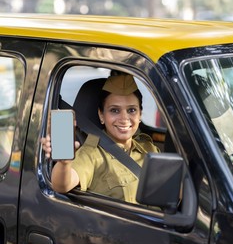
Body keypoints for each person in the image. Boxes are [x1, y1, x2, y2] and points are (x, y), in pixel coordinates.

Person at [41, 74, 160, 203]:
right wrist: (64, 163)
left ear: (140, 115)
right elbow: (62, 185)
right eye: (114, 110)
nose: (124, 119)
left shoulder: (149, 148)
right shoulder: (91, 154)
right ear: (101, 115)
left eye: (131, 110)